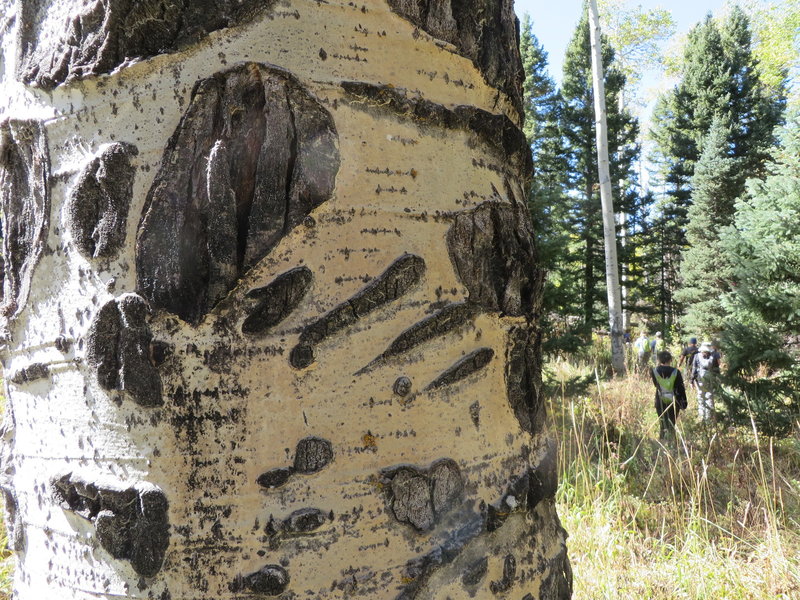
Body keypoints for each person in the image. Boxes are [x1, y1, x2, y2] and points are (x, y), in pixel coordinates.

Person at [650, 351, 688, 440]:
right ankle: (672, 443)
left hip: (659, 399)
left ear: (659, 360)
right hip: (673, 401)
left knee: (662, 423)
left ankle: (662, 442)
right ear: (670, 360)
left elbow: (656, 385)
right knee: (672, 424)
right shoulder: (676, 372)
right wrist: (683, 403)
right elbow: (680, 388)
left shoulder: (654, 371)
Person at [692, 342, 720, 421]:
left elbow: (694, 369)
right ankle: (709, 417)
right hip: (710, 380)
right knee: (709, 397)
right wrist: (718, 379)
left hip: (700, 380)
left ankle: (701, 416)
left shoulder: (696, 356)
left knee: (700, 397)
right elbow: (717, 369)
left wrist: (692, 380)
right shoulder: (713, 357)